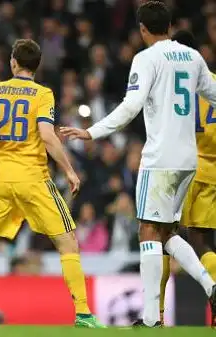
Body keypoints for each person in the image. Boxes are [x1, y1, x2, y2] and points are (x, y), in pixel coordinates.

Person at [61, 1, 216, 327]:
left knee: (147, 230)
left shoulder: (146, 59)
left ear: (143, 30)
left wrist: (91, 132)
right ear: (170, 26)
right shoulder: (194, 58)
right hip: (189, 161)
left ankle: (149, 319)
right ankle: (211, 285)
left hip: (159, 158)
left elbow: (130, 106)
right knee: (165, 232)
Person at [0, 38, 104, 328]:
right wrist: (69, 170)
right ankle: (82, 313)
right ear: (37, 66)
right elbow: (46, 135)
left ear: (12, 63)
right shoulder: (42, 94)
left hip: (0, 180)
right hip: (33, 180)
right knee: (67, 244)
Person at [157, 30, 216, 326]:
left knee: (159, 236)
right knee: (203, 244)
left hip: (177, 170)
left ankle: (156, 314)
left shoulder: (171, 87)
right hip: (211, 174)